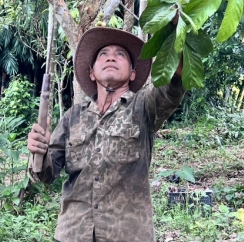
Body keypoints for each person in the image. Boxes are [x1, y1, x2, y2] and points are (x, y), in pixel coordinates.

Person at [27, 27, 185, 242]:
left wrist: (177, 28)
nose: (111, 57)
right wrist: (39, 150)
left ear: (132, 73)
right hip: (72, 234)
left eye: (120, 54)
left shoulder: (144, 107)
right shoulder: (73, 117)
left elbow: (173, 84)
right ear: (92, 73)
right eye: (103, 54)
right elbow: (46, 175)